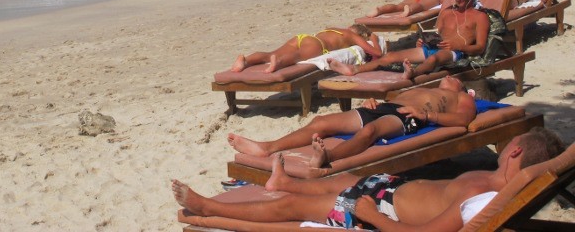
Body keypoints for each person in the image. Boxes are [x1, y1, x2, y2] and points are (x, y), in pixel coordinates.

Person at [173, 128, 566, 230]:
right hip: (388, 189)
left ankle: (206, 207)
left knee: (292, 210)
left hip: (381, 209)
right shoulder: (496, 182)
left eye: (511, 142)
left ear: (513, 151)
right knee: (345, 178)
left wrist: (374, 219)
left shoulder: (485, 192)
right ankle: (288, 182)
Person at [227, 76, 476, 169]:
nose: (449, 77)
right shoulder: (425, 86)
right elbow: (394, 97)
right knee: (321, 121)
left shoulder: (462, 97)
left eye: (454, 78)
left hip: (410, 117)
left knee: (371, 131)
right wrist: (372, 101)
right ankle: (267, 147)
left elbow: (464, 120)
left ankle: (329, 158)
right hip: (387, 107)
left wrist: (428, 116)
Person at [331, 0, 489, 80]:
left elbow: (480, 47)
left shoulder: (479, 16)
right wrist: (424, 41)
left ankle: (413, 73)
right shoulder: (447, 12)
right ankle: (355, 69)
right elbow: (435, 33)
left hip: (456, 53)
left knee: (434, 58)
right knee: (390, 56)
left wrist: (459, 45)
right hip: (433, 48)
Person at [230, 24, 381, 73]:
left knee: (271, 53)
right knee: (296, 56)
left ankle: (246, 60)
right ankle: (279, 63)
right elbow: (377, 52)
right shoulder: (352, 36)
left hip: (303, 37)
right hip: (317, 45)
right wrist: (372, 36)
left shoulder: (335, 29)